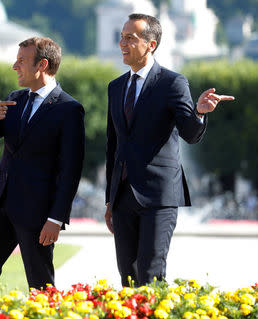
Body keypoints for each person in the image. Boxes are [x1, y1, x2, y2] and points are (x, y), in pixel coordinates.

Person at [104, 13, 234, 287]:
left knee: (150, 275)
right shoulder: (115, 88)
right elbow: (113, 146)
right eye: (121, 37)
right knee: (127, 278)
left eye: (131, 37)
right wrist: (109, 199)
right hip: (123, 197)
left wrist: (199, 113)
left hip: (159, 196)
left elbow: (190, 134)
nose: (122, 43)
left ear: (151, 44)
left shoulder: (172, 83)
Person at [0, 37, 85, 291]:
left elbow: (71, 170)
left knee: (40, 286)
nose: (15, 66)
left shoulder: (69, 109)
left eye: (21, 61)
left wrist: (56, 219)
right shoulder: (15, 99)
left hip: (38, 214)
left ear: (42, 64)